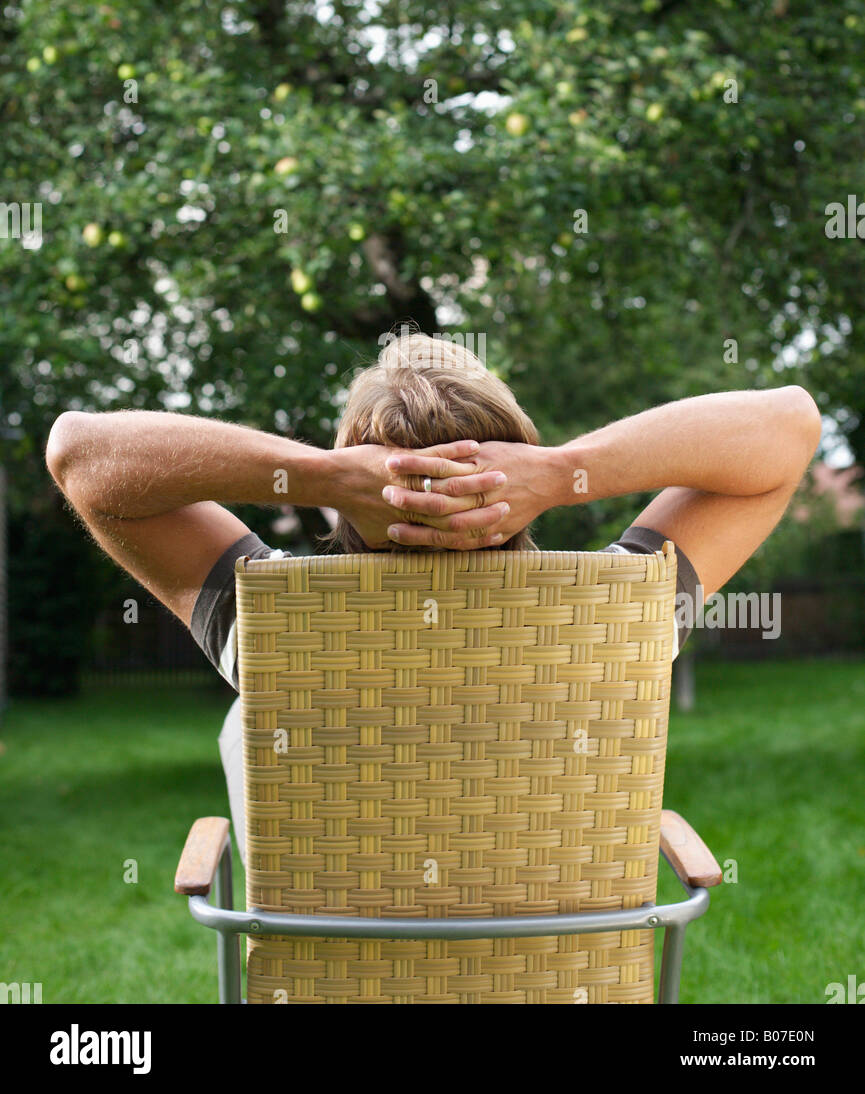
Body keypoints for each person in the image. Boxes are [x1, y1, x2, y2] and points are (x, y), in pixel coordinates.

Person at [45, 330, 821, 863]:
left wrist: (322, 476)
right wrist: (559, 472)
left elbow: (80, 454)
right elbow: (789, 425)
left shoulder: (268, 622)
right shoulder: (619, 619)